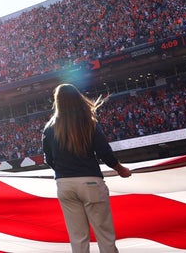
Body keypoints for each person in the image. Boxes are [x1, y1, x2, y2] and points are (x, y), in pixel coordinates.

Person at [42, 84, 132, 253]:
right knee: (104, 234)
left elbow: (48, 159)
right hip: (90, 181)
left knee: (78, 238)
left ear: (57, 102)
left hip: (64, 184)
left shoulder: (49, 128)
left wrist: (64, 172)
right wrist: (120, 169)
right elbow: (104, 153)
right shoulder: (88, 122)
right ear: (78, 98)